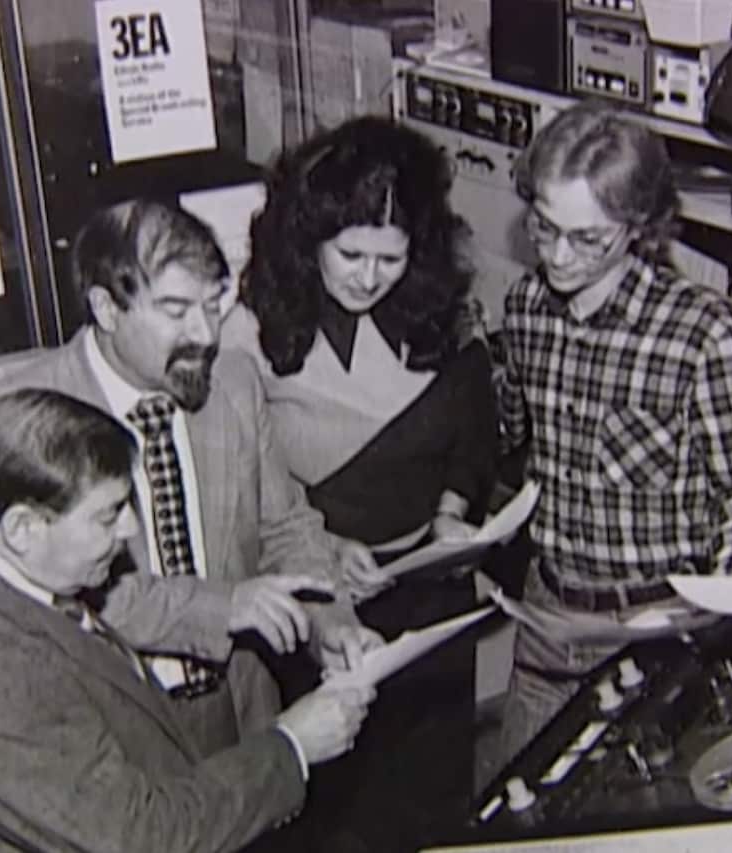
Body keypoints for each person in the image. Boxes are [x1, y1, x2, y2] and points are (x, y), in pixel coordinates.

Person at [0, 198, 385, 756]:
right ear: (107, 308)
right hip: (109, 733)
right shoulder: (19, 418)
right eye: (176, 309)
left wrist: (329, 621)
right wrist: (225, 606)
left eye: (214, 306)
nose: (206, 333)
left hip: (241, 712)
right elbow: (70, 595)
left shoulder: (233, 382)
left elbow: (284, 525)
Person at [0, 388, 376, 853]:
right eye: (108, 515)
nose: (130, 529)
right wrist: (291, 746)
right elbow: (141, 838)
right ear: (22, 528)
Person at [221, 116, 498, 851]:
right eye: (350, 254)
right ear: (309, 236)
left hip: (427, 591)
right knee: (333, 810)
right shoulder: (251, 330)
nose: (369, 277)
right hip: (317, 596)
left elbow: (474, 428)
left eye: (391, 257)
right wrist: (326, 545)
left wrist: (451, 514)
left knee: (431, 795)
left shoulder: (440, 313)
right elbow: (244, 479)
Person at [495, 101, 732, 759]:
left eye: (587, 238)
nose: (559, 256)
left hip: (654, 629)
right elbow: (515, 435)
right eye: (544, 228)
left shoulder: (707, 335)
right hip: (547, 618)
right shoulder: (525, 309)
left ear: (639, 227)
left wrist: (719, 607)